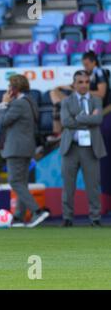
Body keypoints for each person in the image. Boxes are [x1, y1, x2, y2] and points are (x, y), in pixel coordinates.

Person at [0, 75, 50, 228]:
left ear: (14, 89)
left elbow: (3, 121)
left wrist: (3, 104)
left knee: (15, 181)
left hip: (16, 149)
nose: (7, 90)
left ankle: (38, 211)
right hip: (26, 148)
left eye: (9, 87)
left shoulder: (18, 104)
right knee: (22, 183)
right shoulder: (30, 101)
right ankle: (19, 217)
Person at [60, 70, 107, 227]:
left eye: (87, 82)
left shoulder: (97, 100)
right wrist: (88, 119)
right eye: (80, 82)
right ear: (74, 84)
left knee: (93, 185)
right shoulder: (66, 101)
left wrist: (78, 118)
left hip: (90, 148)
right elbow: (66, 122)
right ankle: (67, 217)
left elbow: (98, 119)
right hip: (71, 148)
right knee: (68, 185)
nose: (84, 85)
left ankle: (95, 218)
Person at [48, 51, 109, 143]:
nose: (85, 67)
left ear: (94, 62)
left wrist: (82, 90)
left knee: (60, 107)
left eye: (86, 64)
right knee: (54, 92)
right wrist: (60, 87)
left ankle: (59, 131)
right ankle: (59, 129)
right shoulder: (88, 74)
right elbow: (73, 86)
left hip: (94, 104)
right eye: (84, 65)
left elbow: (101, 94)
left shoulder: (99, 73)